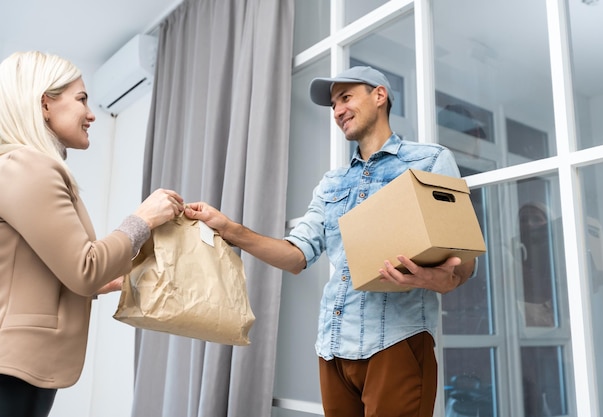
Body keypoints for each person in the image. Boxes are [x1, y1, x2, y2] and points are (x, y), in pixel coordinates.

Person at [184, 66, 476, 417]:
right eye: (334, 104)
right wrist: (229, 229)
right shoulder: (332, 183)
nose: (337, 110)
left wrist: (441, 280)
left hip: (396, 342)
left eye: (346, 97)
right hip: (333, 349)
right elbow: (295, 256)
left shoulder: (430, 160)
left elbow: (465, 258)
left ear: (379, 96)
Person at [0, 51, 185, 417]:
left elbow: (44, 270)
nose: (91, 113)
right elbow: (84, 267)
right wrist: (143, 219)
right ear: (45, 104)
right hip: (12, 368)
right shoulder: (27, 166)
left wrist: (104, 281)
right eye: (81, 98)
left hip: (23, 368)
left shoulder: (23, 168)